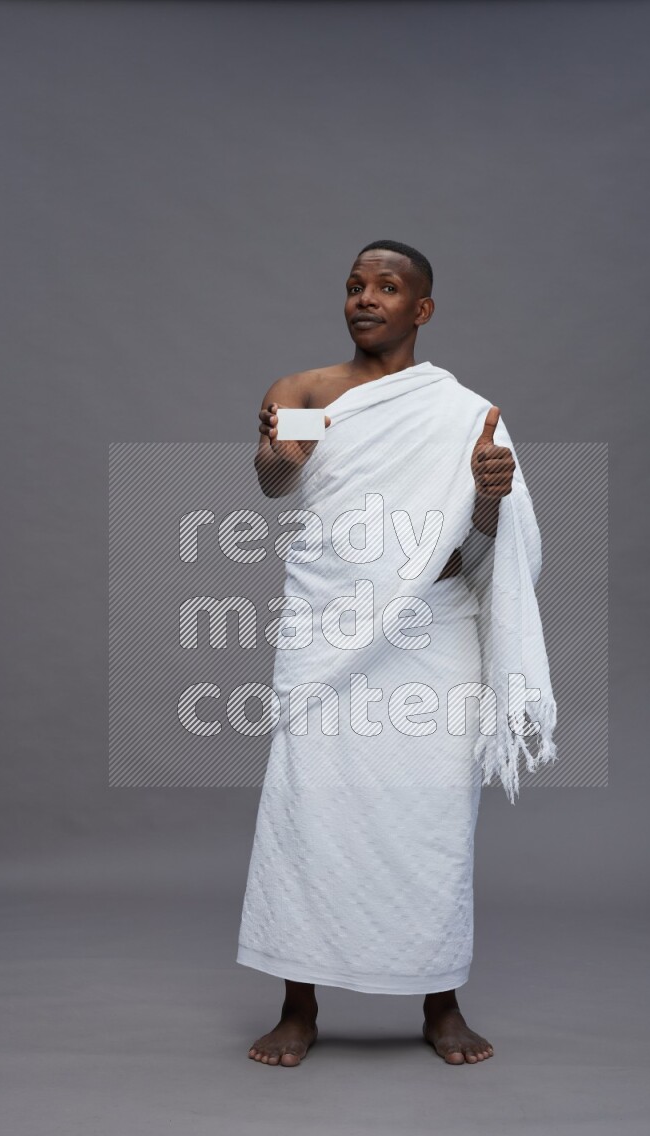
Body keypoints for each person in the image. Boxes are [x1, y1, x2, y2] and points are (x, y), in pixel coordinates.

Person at [239, 240, 517, 1066]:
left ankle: (440, 1001)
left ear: (421, 309)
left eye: (388, 287)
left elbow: (475, 555)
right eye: (356, 286)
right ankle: (298, 1004)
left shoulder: (466, 415)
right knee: (308, 812)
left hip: (429, 637)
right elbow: (275, 483)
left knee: (431, 814)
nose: (366, 298)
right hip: (330, 629)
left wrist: (493, 498)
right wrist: (278, 452)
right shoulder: (304, 392)